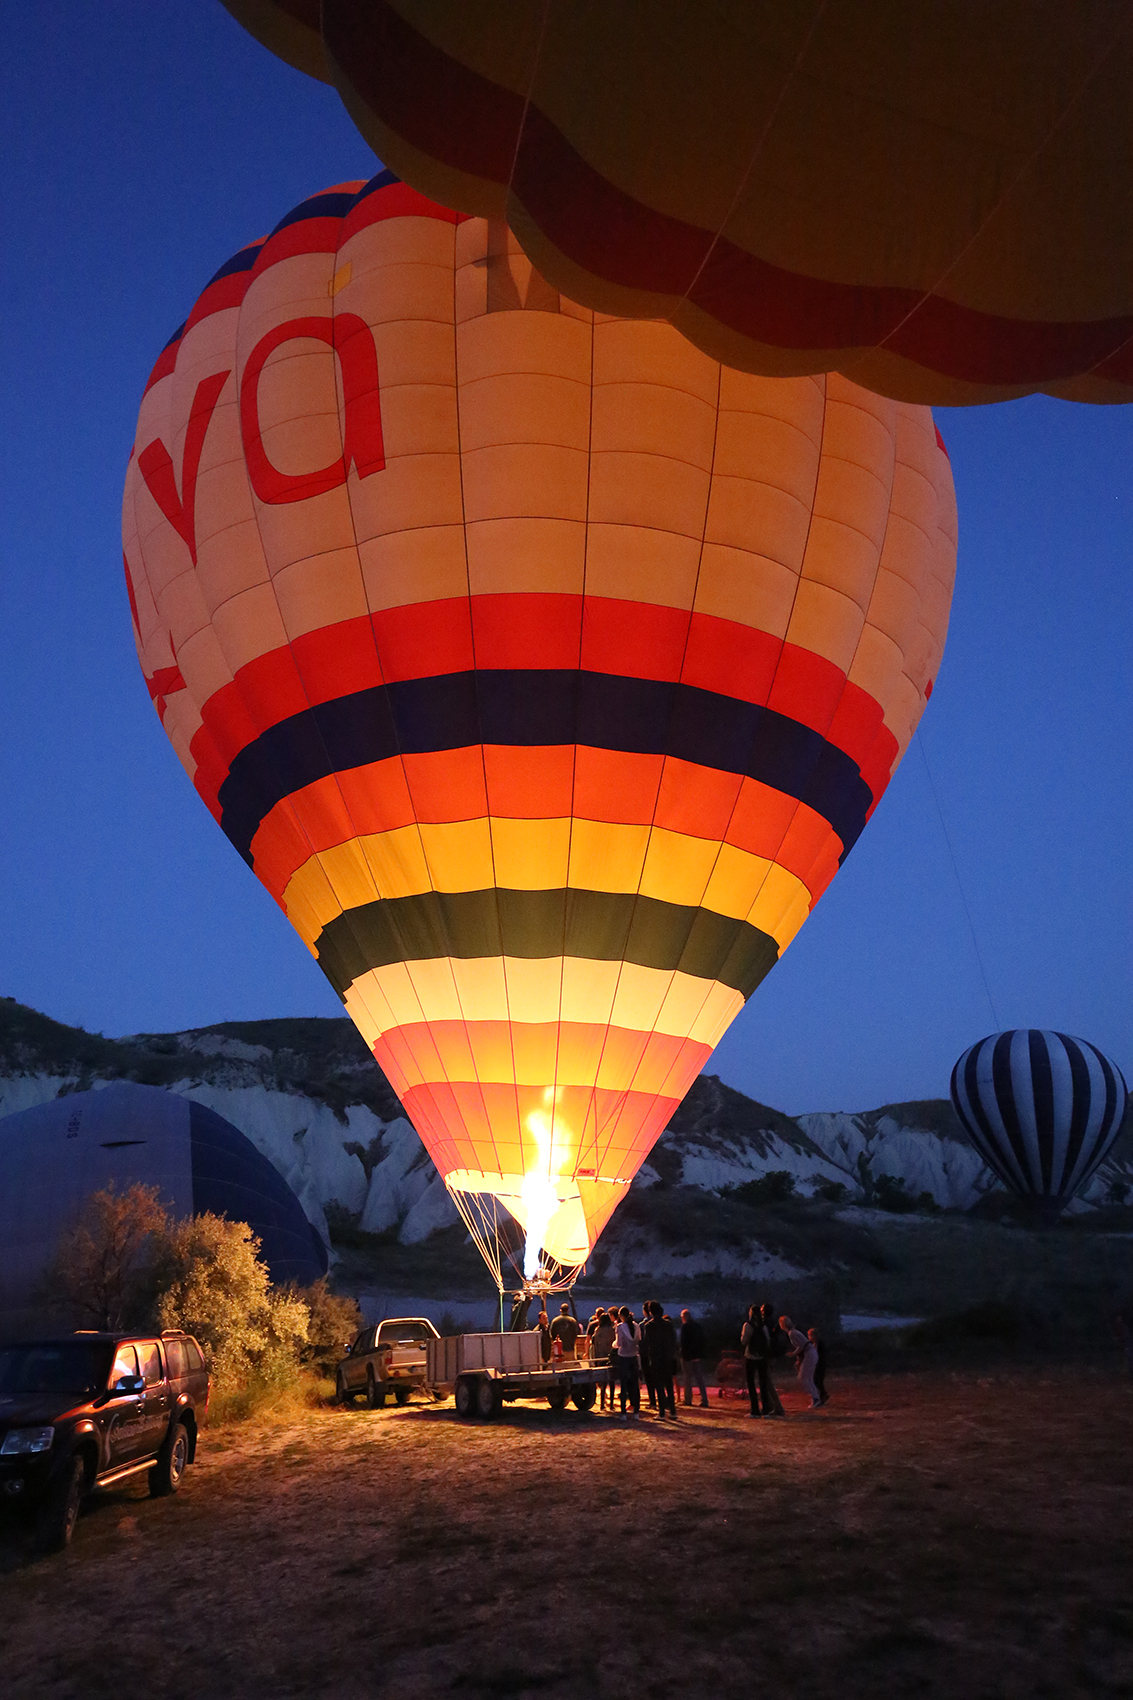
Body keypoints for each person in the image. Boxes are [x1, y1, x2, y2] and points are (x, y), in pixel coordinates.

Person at [642, 1300, 678, 1418]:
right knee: (669, 1385)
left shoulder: (649, 1326)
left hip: (656, 1359)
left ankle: (662, 1412)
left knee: (659, 1386)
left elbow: (647, 1343)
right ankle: (673, 1411)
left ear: (651, 1312)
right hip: (667, 1358)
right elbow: (674, 1341)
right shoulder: (668, 1324)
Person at [780, 1315, 821, 1408]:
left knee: (803, 1378)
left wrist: (793, 1354)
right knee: (808, 1378)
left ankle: (815, 1398)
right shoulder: (794, 1332)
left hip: (809, 1354)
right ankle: (816, 1398)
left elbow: (801, 1346)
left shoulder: (792, 1333)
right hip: (811, 1353)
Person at [758, 1302, 786, 1415]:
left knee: (767, 1381)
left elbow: (767, 1340)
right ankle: (770, 1406)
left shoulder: (765, 1323)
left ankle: (776, 1407)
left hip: (767, 1355)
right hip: (772, 1354)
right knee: (766, 1381)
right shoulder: (774, 1322)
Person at [679, 1309, 710, 1408]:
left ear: (684, 1317)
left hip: (687, 1356)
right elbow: (702, 1340)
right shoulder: (697, 1326)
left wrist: (682, 1354)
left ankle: (688, 1399)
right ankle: (704, 1400)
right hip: (697, 1355)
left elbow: (683, 1342)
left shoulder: (685, 1327)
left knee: (687, 1379)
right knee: (700, 1379)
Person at [614, 1306, 641, 1417]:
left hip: (623, 1357)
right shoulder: (636, 1326)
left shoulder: (620, 1327)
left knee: (624, 1385)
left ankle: (623, 1413)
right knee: (634, 1385)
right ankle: (636, 1411)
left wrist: (613, 1344)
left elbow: (619, 1343)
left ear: (621, 1316)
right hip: (634, 1357)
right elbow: (639, 1340)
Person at [740, 1304, 766, 1417]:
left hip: (750, 1356)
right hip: (762, 1356)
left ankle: (755, 1410)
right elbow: (767, 1340)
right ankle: (766, 1409)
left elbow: (744, 1340)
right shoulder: (763, 1325)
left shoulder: (748, 1325)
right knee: (763, 1383)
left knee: (751, 1383)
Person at [590, 1308, 617, 1410]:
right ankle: (611, 1404)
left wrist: (595, 1360)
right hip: (611, 1358)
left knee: (602, 1383)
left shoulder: (597, 1331)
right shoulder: (613, 1331)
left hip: (600, 1358)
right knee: (612, 1382)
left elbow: (594, 1346)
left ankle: (602, 1404)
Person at [808, 1325, 829, 1405]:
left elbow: (820, 1355)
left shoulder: (819, 1344)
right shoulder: (814, 1344)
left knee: (817, 1381)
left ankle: (821, 1397)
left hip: (819, 1365)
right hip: (817, 1365)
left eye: (810, 1335)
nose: (809, 1337)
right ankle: (823, 1395)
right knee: (817, 1381)